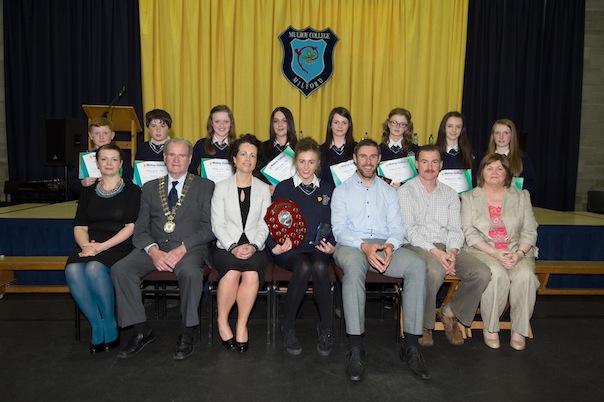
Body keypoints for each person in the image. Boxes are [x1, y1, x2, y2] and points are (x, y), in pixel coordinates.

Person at [331, 139, 430, 381]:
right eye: (363, 156)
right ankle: (356, 346)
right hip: (352, 245)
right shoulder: (341, 191)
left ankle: (411, 346)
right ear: (354, 159)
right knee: (354, 268)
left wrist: (390, 246)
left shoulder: (388, 192)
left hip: (385, 245)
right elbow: (339, 231)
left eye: (372, 156)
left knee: (417, 265)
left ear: (378, 160)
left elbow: (398, 228)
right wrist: (364, 246)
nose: (367, 161)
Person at [111, 138, 215, 360]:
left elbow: (209, 228)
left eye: (181, 156)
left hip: (191, 248)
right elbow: (140, 230)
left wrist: (182, 248)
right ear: (164, 158)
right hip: (155, 248)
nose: (176, 160)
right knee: (121, 269)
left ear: (189, 160)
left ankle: (187, 332)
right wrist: (153, 251)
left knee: (190, 272)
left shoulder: (205, 187)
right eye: (171, 155)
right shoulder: (149, 188)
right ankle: (141, 330)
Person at [398, 145, 490, 347]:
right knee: (434, 270)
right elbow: (410, 230)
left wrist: (453, 252)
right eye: (424, 161)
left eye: (434, 162)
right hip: (417, 246)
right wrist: (437, 253)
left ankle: (450, 312)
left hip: (447, 247)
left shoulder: (450, 193)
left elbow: (456, 229)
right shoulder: (406, 192)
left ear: (441, 165)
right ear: (416, 165)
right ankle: (424, 324)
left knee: (482, 273)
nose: (429, 167)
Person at [65, 144, 141, 354]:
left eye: (114, 159)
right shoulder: (88, 192)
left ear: (121, 164)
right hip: (90, 243)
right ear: (97, 163)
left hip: (118, 244)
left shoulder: (132, 190)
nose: (109, 163)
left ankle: (109, 322)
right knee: (72, 270)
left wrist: (100, 248)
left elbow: (130, 228)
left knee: (93, 269)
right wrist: (86, 246)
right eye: (104, 159)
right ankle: (97, 324)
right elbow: (80, 226)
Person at [461, 153, 539, 351]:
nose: (494, 172)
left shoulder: (522, 196)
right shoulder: (469, 197)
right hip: (484, 250)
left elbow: (530, 230)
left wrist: (519, 254)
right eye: (489, 168)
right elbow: (468, 232)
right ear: (482, 172)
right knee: (496, 275)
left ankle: (519, 330)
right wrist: (495, 253)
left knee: (526, 276)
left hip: (516, 250)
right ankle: (491, 327)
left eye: (499, 168)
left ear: (506, 173)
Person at [269, 138, 335, 356]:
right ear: (295, 162)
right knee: (304, 267)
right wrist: (276, 246)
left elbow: (334, 223)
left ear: (318, 164)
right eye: (302, 161)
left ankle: (326, 327)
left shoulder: (327, 189)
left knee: (318, 267)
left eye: (311, 162)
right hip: (289, 250)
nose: (306, 167)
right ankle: (288, 326)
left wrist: (331, 245)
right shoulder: (283, 188)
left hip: (317, 248)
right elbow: (272, 222)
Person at [211, 134, 271, 353]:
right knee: (232, 272)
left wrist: (254, 245)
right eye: (243, 154)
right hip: (225, 247)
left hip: (255, 246)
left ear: (256, 161)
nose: (248, 159)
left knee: (252, 273)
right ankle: (223, 321)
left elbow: (266, 224)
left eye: (253, 155)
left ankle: (241, 324)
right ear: (234, 159)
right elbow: (217, 223)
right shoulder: (221, 187)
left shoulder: (264, 189)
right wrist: (233, 246)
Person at [68, 117, 134, 196]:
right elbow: (71, 182)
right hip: (91, 199)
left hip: (117, 198)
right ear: (90, 136)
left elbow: (130, 179)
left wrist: (118, 181)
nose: (101, 137)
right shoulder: (84, 158)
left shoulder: (121, 156)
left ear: (112, 135)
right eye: (96, 133)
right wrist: (82, 183)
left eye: (105, 133)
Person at [485, 118, 536, 195]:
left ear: (512, 135)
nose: (501, 137)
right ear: (493, 135)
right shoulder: (483, 158)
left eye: (505, 133)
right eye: (497, 133)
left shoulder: (523, 159)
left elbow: (531, 184)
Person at [189, 105, 236, 175]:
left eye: (226, 122)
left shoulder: (238, 146)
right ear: (211, 123)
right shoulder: (201, 145)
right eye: (217, 121)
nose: (222, 125)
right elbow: (191, 169)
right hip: (206, 186)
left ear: (231, 123)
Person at [379, 108, 419, 188]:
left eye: (402, 124)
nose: (397, 127)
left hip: (408, 194)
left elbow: (420, 177)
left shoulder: (416, 150)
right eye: (394, 122)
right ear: (388, 124)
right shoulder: (378, 150)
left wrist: (401, 185)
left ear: (407, 128)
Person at [259, 106, 298, 189]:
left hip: (294, 196)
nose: (280, 125)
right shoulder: (262, 148)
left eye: (284, 121)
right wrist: (266, 188)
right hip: (269, 197)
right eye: (276, 121)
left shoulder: (299, 148)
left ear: (290, 123)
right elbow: (256, 177)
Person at [319, 107, 358, 189]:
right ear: (330, 125)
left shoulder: (358, 150)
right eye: (336, 122)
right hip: (328, 198)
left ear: (349, 125)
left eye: (344, 123)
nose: (340, 126)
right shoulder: (320, 151)